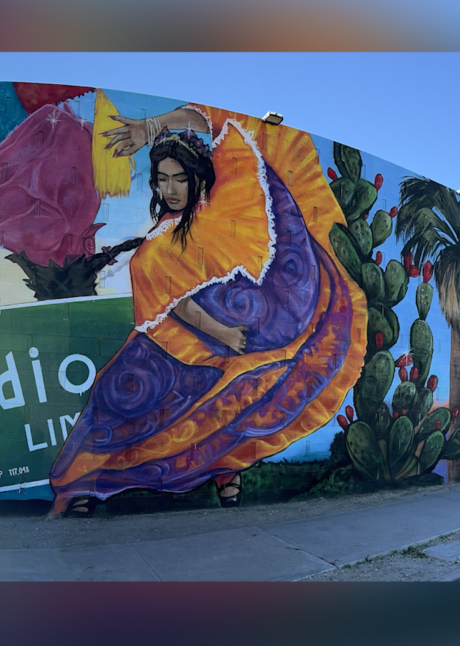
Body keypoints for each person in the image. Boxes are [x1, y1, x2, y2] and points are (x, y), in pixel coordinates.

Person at [48, 104, 367, 517]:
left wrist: (152, 125)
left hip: (252, 330)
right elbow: (174, 303)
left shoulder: (225, 200)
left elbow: (205, 123)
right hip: (200, 344)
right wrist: (224, 334)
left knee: (227, 407)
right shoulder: (156, 246)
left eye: (180, 178)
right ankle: (82, 489)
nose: (172, 188)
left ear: (197, 176)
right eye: (163, 180)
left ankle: (225, 478)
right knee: (128, 398)